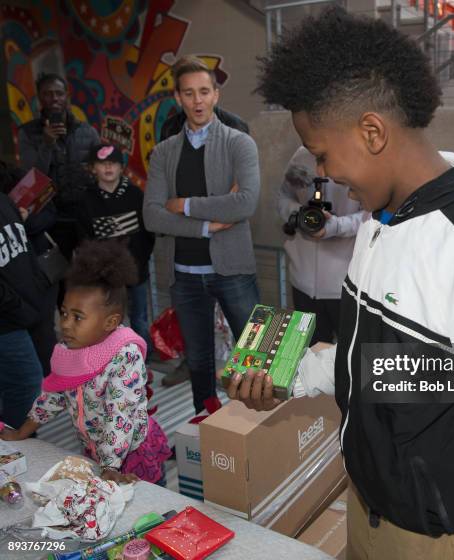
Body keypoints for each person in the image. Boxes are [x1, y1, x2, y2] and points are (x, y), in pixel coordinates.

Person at [226, 7, 454, 560]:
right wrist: (294, 374)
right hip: (369, 505)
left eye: (324, 155)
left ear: (372, 131)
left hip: (438, 537)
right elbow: (393, 362)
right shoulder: (381, 222)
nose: (324, 176)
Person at [143, 55, 260, 413]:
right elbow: (151, 215)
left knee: (253, 357)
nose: (197, 101)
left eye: (204, 92)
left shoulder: (240, 143)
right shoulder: (164, 153)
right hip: (186, 275)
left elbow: (244, 204)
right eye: (189, 93)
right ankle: (205, 424)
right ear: (178, 98)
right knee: (198, 360)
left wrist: (185, 205)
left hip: (234, 271)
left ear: (216, 95)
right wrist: (207, 225)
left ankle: (258, 426)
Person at [0, 240, 171, 485]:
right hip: (96, 453)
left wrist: (111, 465)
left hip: (130, 454)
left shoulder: (124, 355)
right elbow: (54, 395)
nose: (66, 324)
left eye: (78, 317)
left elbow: (119, 412)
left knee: (151, 513)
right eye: (65, 313)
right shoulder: (68, 350)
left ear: (110, 322)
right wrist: (21, 432)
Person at [278, 147, 365, 344]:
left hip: (346, 285)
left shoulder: (362, 156)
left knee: (352, 359)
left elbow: (372, 214)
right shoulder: (300, 155)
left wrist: (335, 226)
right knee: (309, 356)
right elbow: (283, 197)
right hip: (302, 282)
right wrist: (302, 215)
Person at [76, 143, 155, 357]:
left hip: (136, 269)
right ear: (93, 168)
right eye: (102, 164)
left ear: (122, 167)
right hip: (105, 274)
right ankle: (112, 358)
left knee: (139, 316)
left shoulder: (135, 194)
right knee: (109, 316)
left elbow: (148, 232)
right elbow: (85, 238)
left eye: (113, 163)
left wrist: (142, 257)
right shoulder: (86, 200)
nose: (108, 168)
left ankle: (142, 356)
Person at [18, 72, 100, 262]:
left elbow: (100, 172)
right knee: (58, 274)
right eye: (48, 93)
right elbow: (31, 179)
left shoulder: (87, 131)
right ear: (40, 98)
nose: (54, 98)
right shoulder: (28, 134)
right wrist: (47, 144)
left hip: (85, 215)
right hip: (52, 218)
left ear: (66, 96)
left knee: (91, 270)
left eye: (59, 93)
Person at [0, 160, 58, 377]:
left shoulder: (22, 177)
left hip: (39, 268)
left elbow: (50, 214)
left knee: (44, 333)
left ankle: (53, 386)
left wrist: (22, 220)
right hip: (12, 298)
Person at [0, 189, 47, 428]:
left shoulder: (3, 198)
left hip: (23, 311)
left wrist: (36, 287)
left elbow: (23, 246)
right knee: (27, 383)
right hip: (8, 321)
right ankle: (14, 446)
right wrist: (21, 309)